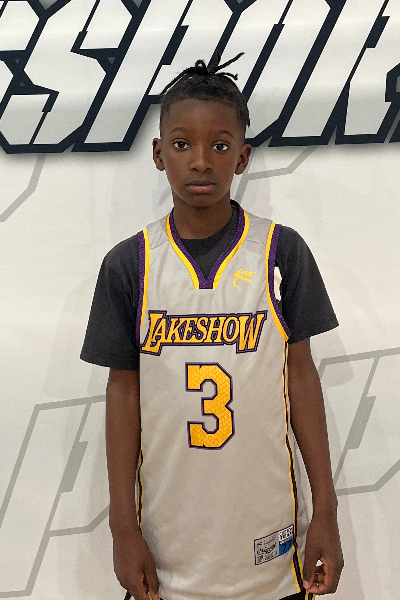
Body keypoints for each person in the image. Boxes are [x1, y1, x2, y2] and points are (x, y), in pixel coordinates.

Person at [81, 52, 344, 600]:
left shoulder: (281, 252)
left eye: (220, 146)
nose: (201, 161)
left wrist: (326, 510)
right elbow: (122, 392)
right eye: (182, 144)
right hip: (166, 555)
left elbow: (301, 379)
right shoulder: (130, 264)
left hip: (271, 552)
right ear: (159, 154)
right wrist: (121, 528)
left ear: (242, 157)